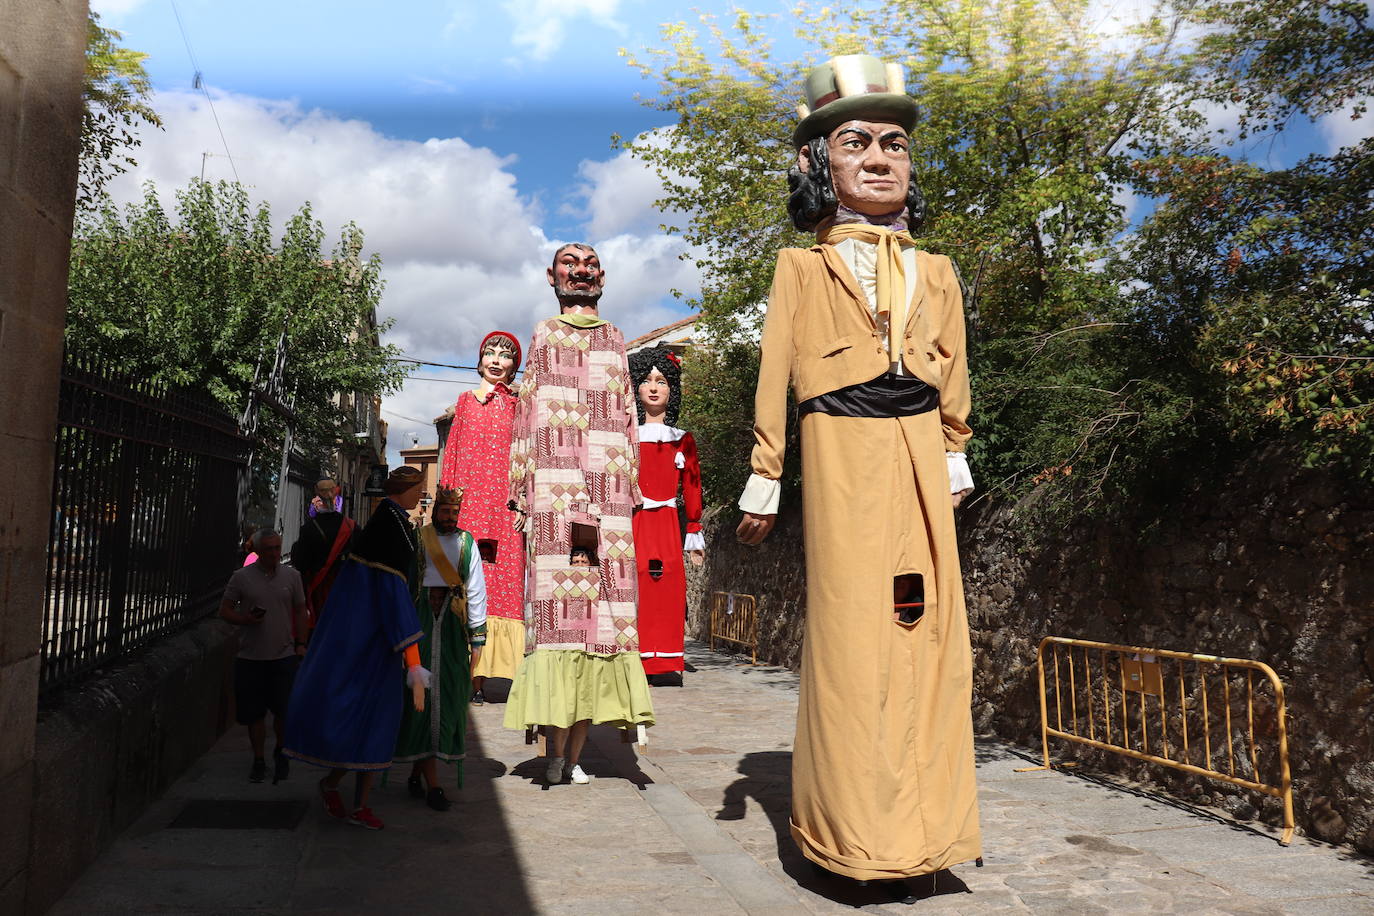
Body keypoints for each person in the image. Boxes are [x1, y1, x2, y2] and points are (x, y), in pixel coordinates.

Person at [735, 54, 981, 886]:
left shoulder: (937, 270)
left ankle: (920, 836)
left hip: (916, 446)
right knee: (850, 638)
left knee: (924, 632)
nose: (880, 157)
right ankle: (849, 840)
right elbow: (776, 370)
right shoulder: (800, 267)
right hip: (840, 448)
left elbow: (955, 366)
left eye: (894, 144)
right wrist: (766, 475)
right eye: (856, 142)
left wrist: (954, 451)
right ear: (818, 162)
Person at [504, 242, 655, 787]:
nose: (582, 272)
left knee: (604, 615)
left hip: (608, 490)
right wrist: (521, 489)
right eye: (571, 264)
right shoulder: (544, 333)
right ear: (552, 276)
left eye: (590, 265)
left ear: (604, 277)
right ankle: (553, 752)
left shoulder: (615, 337)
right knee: (556, 613)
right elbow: (525, 413)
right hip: (557, 492)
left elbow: (628, 414)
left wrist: (631, 484)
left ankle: (574, 757)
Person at [283, 466, 431, 831]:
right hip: (369, 643)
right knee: (360, 722)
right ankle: (335, 786)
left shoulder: (391, 523)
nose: (420, 496)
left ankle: (360, 804)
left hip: (373, 641)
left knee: (376, 726)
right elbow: (392, 597)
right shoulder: (388, 530)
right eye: (417, 489)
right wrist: (414, 665)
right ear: (404, 489)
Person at [438, 331, 525, 705]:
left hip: (505, 513)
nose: (496, 360)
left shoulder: (521, 406)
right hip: (470, 510)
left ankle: (502, 672)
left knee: (504, 589)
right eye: (490, 353)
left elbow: (527, 456)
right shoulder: (464, 403)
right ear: (479, 360)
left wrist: (523, 503)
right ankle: (467, 675)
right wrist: (447, 508)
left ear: (513, 366)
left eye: (504, 356)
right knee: (469, 588)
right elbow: (452, 456)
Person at [393, 486, 488, 810]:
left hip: (451, 626)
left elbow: (475, 589)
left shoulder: (466, 543)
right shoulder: (419, 539)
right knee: (419, 700)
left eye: (455, 512)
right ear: (436, 511)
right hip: (420, 623)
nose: (451, 517)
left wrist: (477, 636)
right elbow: (405, 584)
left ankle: (420, 774)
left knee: (446, 699)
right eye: (446, 512)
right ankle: (433, 786)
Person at [628, 344, 703, 680]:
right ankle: (639, 658)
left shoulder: (682, 439)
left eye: (662, 381)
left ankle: (667, 661)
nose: (654, 387)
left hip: (668, 523)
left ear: (672, 390)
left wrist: (695, 530)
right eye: (647, 380)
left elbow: (692, 485)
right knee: (637, 584)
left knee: (669, 585)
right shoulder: (626, 438)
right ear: (636, 388)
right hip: (636, 520)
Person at [219, 529, 309, 783]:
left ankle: (281, 750)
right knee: (254, 714)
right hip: (251, 657)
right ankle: (258, 759)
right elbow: (224, 610)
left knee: (283, 711)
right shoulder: (241, 578)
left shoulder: (292, 576)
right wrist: (244, 619)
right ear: (258, 551)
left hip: (283, 655)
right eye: (268, 549)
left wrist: (301, 643)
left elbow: (301, 610)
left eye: (277, 548)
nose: (273, 553)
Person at [292, 477, 357, 627]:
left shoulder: (308, 528)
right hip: (345, 586)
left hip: (319, 588)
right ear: (336, 492)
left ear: (317, 493)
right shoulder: (351, 526)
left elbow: (301, 563)